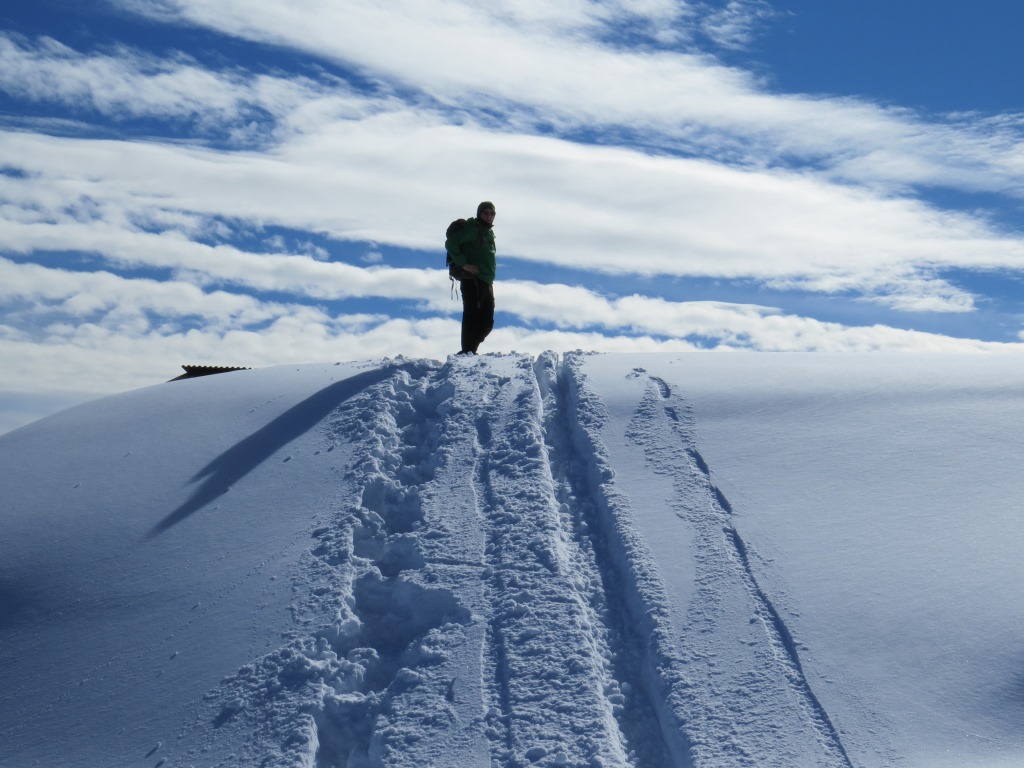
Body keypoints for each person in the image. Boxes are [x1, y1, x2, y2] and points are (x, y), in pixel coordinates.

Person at [446, 201, 497, 355]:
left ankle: (469, 349)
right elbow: (451, 244)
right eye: (486, 213)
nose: (489, 216)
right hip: (472, 278)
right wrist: (464, 264)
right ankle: (468, 350)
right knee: (472, 313)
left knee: (486, 320)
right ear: (479, 214)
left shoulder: (487, 232)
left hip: (485, 280)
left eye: (492, 213)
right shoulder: (473, 228)